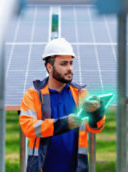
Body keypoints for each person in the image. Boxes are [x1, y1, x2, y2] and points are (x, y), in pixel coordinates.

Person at [19, 38, 105, 172]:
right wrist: (64, 124)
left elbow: (96, 128)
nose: (69, 68)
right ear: (49, 67)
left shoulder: (81, 94)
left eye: (71, 63)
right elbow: (29, 128)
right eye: (64, 64)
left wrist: (97, 112)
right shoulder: (33, 94)